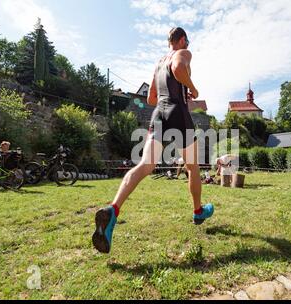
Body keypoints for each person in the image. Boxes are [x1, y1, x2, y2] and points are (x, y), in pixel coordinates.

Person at [92, 27, 214, 254]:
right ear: (181, 40)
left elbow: (151, 98)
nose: (188, 46)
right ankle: (198, 212)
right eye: (186, 42)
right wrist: (193, 88)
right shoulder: (183, 53)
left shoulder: (158, 63)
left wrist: (178, 86)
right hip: (178, 112)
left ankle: (113, 210)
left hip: (159, 113)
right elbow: (178, 68)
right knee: (193, 166)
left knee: (145, 165)